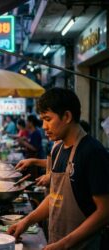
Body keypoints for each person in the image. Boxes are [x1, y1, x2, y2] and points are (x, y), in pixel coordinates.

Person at [8, 88, 109, 249]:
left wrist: (64, 244)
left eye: (48, 119)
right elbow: (55, 196)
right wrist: (26, 221)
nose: (44, 126)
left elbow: (104, 212)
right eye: (42, 120)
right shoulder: (57, 149)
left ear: (67, 116)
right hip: (56, 241)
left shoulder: (92, 152)